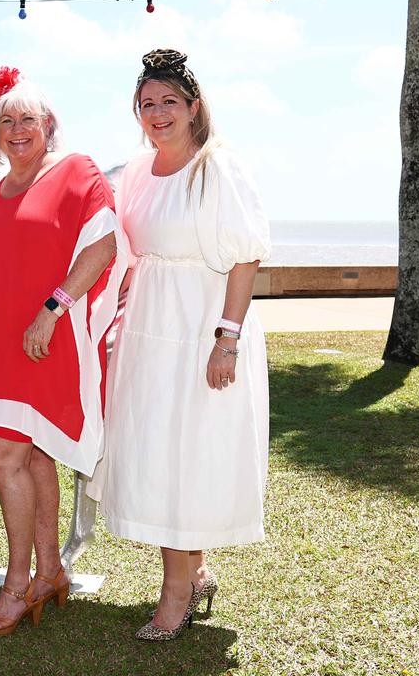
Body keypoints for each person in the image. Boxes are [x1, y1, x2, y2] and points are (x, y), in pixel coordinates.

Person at [86, 48, 272, 641]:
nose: (158, 113)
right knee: (159, 448)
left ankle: (176, 592)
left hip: (202, 322)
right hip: (149, 324)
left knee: (190, 452)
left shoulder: (217, 167)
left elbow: (245, 256)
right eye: (147, 104)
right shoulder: (138, 171)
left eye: (169, 101)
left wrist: (227, 339)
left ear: (194, 107)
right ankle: (194, 574)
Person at [0, 66, 124, 636]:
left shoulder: (75, 171)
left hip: (45, 337)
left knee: (4, 453)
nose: (16, 128)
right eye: (4, 120)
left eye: (26, 118)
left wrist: (53, 308)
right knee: (31, 457)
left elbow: (103, 245)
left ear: (48, 124)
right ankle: (51, 571)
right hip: (1, 345)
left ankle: (14, 586)